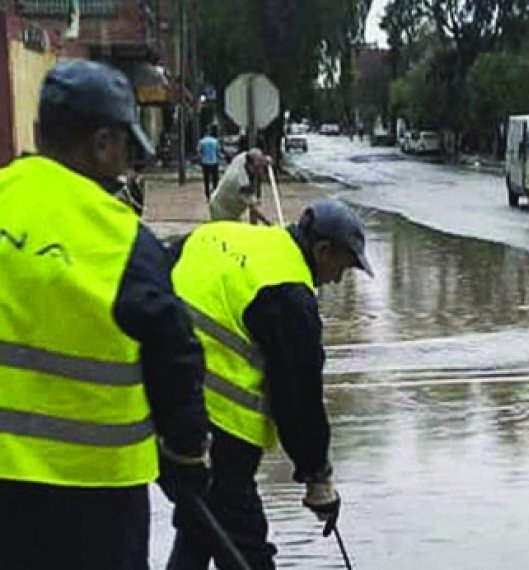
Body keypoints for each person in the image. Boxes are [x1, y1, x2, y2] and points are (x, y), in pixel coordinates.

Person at [0, 60, 210, 570]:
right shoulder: (122, 242)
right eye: (123, 145)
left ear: (37, 132)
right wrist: (186, 458)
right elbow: (176, 358)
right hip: (93, 499)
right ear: (101, 144)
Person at [166, 199, 374, 569]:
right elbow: (299, 402)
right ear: (322, 250)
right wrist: (317, 477)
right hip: (216, 434)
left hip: (156, 412)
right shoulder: (290, 296)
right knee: (248, 554)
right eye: (341, 266)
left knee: (201, 529)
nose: (338, 279)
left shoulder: (220, 234)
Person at [208, 147, 272, 224]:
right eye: (257, 168)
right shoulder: (241, 182)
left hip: (231, 208)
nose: (260, 170)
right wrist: (269, 223)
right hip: (221, 211)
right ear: (249, 165)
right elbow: (254, 208)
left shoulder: (243, 156)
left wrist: (265, 160)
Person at [198, 125, 221, 200]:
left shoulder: (201, 141)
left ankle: (208, 196)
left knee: (206, 180)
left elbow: (199, 152)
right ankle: (215, 193)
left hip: (205, 162)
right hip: (214, 162)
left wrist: (200, 160)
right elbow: (218, 151)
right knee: (215, 179)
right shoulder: (215, 141)